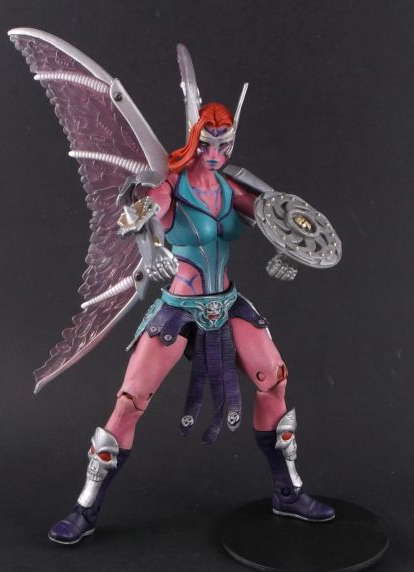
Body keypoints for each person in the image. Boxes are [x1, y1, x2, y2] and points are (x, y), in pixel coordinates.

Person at [48, 102, 335, 545]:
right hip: (180, 308)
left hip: (227, 302)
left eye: (225, 144)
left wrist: (289, 255)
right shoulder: (171, 187)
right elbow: (137, 214)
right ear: (195, 140)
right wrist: (150, 245)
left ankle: (287, 493)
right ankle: (85, 508)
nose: (216, 153)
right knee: (130, 402)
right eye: (208, 144)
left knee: (274, 381)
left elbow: (278, 219)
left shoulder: (229, 187)